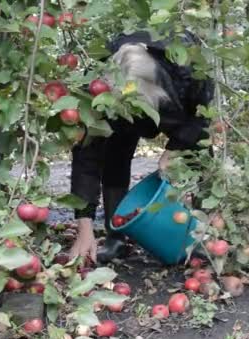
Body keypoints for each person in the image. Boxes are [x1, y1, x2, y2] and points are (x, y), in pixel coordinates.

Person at [68, 29, 215, 264]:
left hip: (178, 107)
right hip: (119, 114)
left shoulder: (187, 63)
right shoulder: (96, 86)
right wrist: (83, 225)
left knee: (199, 152)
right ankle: (116, 234)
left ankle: (205, 233)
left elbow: (203, 116)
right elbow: (87, 155)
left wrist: (174, 149)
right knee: (113, 153)